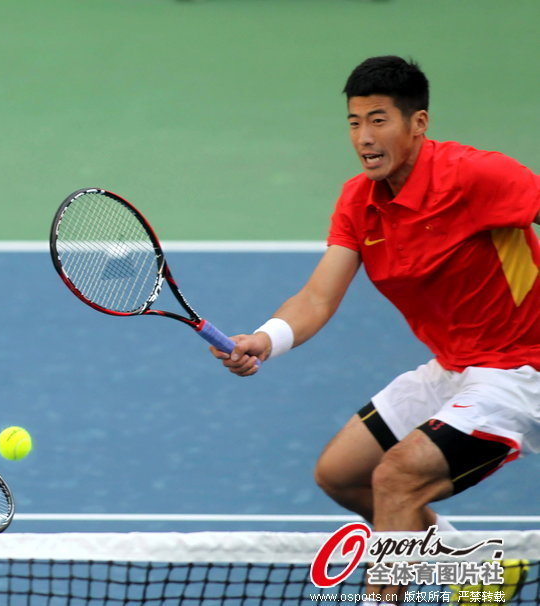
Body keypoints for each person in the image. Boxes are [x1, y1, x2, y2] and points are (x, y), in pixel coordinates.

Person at [211, 55, 539, 602]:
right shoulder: (359, 202)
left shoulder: (476, 176)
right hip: (456, 366)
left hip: (523, 367)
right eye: (354, 121)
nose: (364, 136)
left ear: (418, 123)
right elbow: (318, 296)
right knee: (341, 473)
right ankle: (475, 574)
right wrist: (265, 339)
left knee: (396, 478)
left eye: (379, 119)